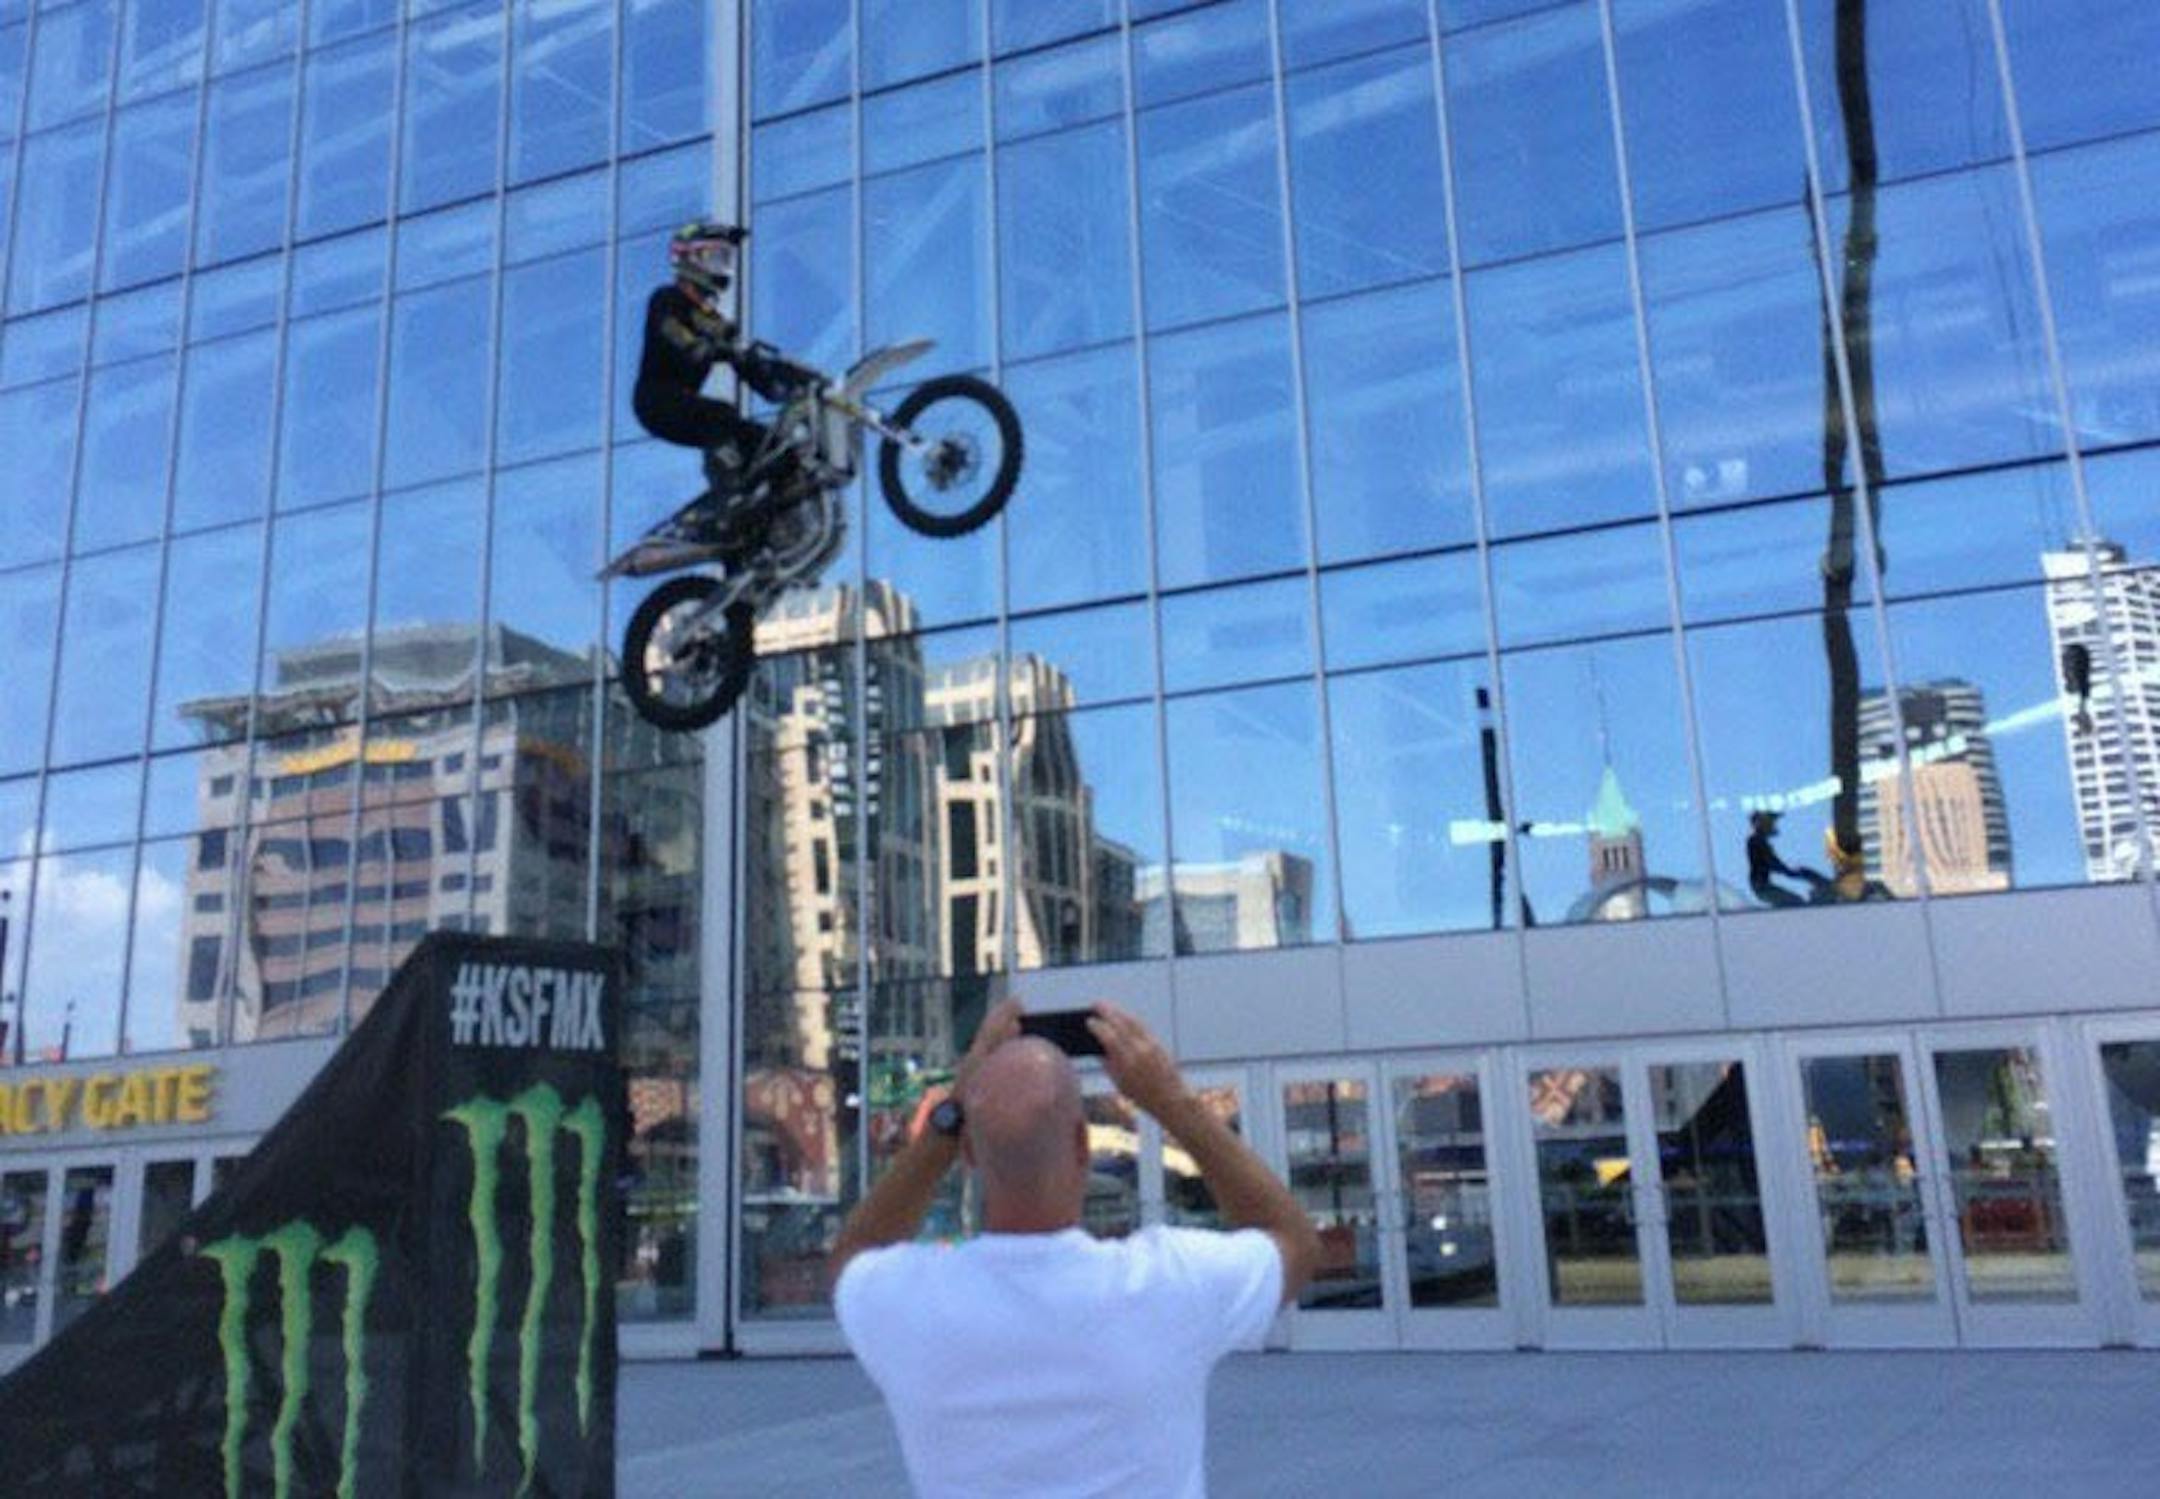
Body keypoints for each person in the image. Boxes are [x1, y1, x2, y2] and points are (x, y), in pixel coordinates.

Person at [830, 1000, 1321, 1498]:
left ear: (970, 1154)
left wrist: (951, 1115)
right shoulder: (1167, 1283)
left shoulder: (910, 1302)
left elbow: (854, 1254)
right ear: (1083, 1146)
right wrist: (1171, 1101)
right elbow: (1294, 1240)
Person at [631, 218, 803, 553]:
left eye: (725, 258)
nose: (721, 266)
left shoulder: (714, 321)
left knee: (769, 444)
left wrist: (780, 387)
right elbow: (670, 329)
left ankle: (755, 535)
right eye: (713, 257)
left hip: (684, 404)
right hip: (656, 400)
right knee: (720, 414)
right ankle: (728, 496)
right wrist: (699, 346)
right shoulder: (666, 298)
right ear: (689, 258)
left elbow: (743, 362)